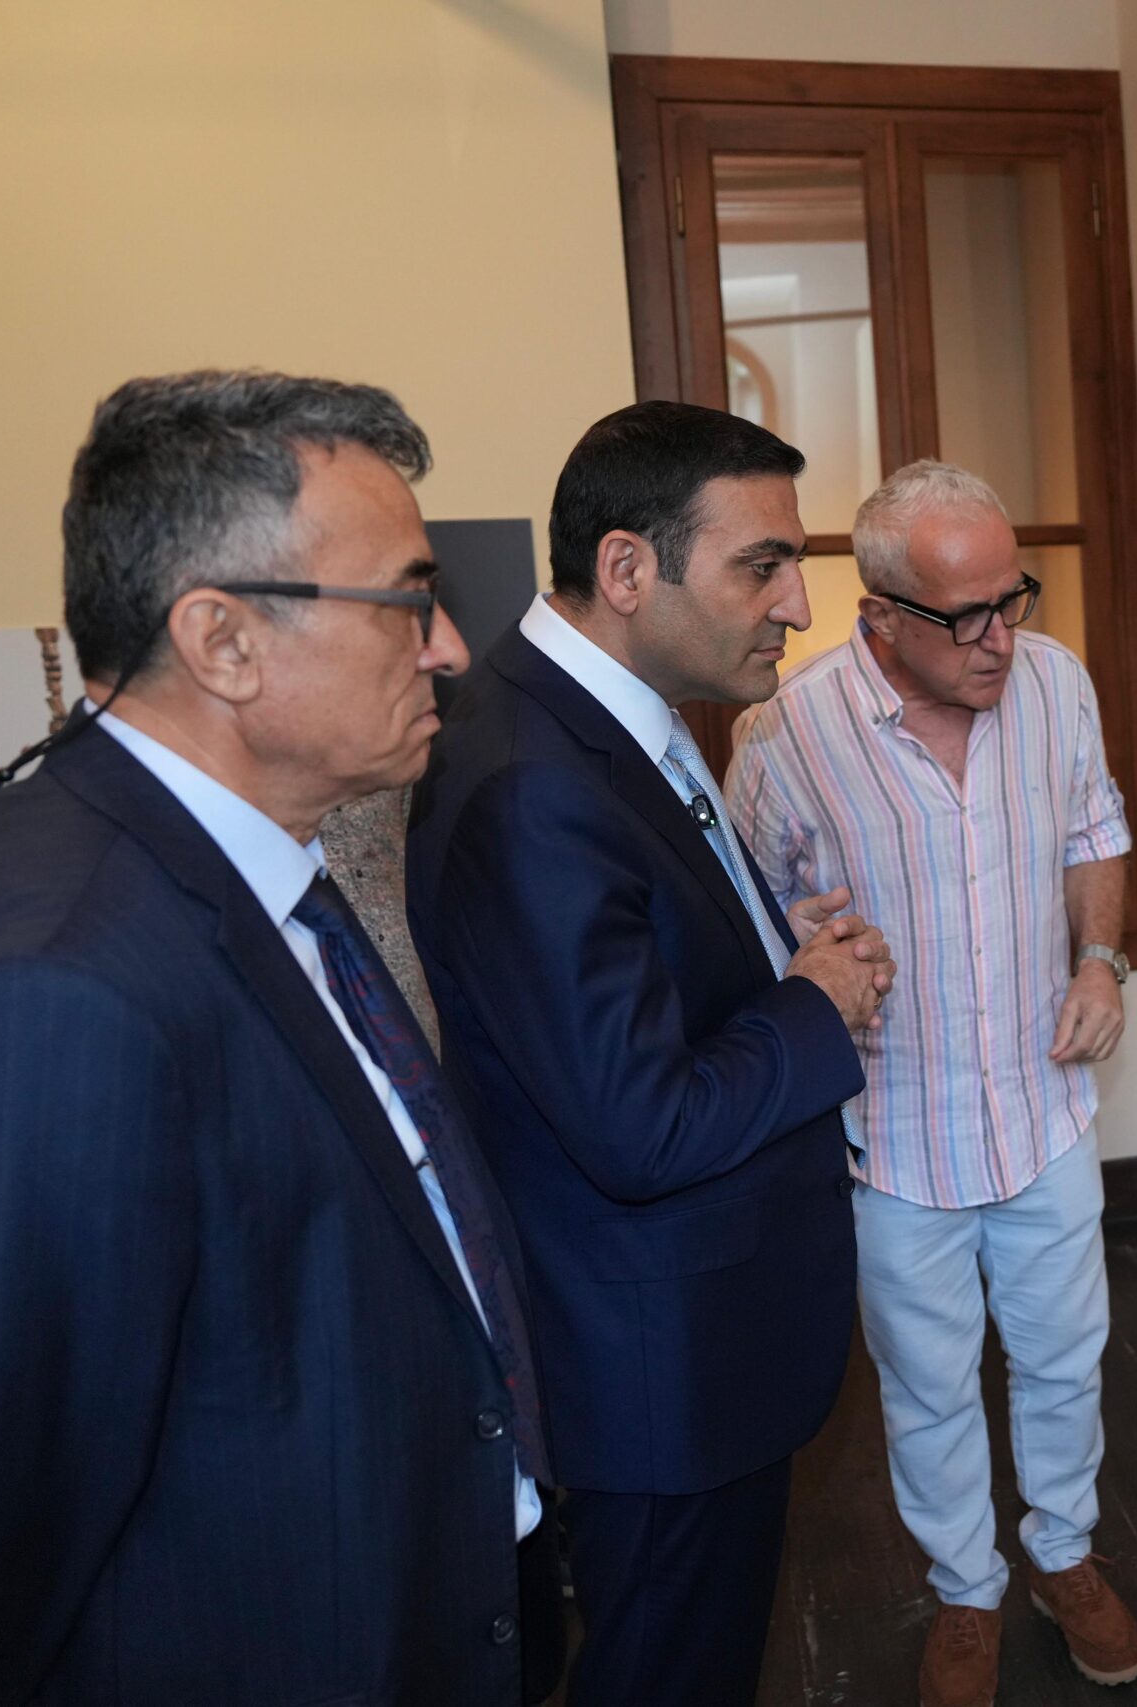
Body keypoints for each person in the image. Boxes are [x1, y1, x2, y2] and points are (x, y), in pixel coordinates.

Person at [0, 370, 559, 1706]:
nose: (450, 647)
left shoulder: (252, 869)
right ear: (223, 642)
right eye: (408, 601)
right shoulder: (46, 990)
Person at [406, 401, 893, 1706]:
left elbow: (635, 977)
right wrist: (816, 1004)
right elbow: (642, 1126)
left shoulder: (604, 721)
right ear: (627, 568)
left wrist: (775, 951)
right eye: (762, 565)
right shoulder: (536, 780)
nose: (798, 605)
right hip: (661, 1368)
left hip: (686, 1340)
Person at [728, 461, 1137, 1707]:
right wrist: (797, 949)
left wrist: (1103, 959)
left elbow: (1095, 830)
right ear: (880, 616)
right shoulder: (787, 732)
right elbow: (741, 912)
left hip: (1043, 1106)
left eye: (1011, 600)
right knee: (926, 1387)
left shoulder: (1057, 683)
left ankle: (1063, 1554)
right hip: (890, 1135)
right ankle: (968, 1590)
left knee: (1066, 1360)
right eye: (964, 617)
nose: (998, 639)